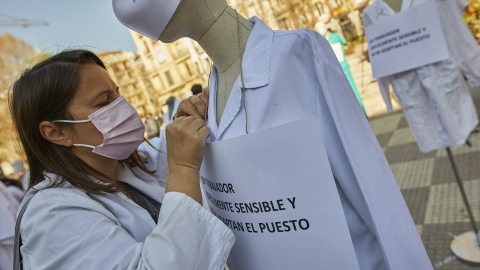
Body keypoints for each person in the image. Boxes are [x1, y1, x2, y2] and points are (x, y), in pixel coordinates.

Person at [9, 50, 234, 269]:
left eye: (118, 94)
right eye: (104, 102)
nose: (124, 107)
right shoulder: (52, 215)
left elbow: (167, 153)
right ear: (56, 132)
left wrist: (185, 119)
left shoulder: (121, 168)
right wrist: (183, 168)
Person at [325, 28, 366, 115]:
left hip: (336, 68)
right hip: (342, 66)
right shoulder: (334, 36)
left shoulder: (323, 40)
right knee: (352, 89)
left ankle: (358, 113)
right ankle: (361, 113)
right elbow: (344, 42)